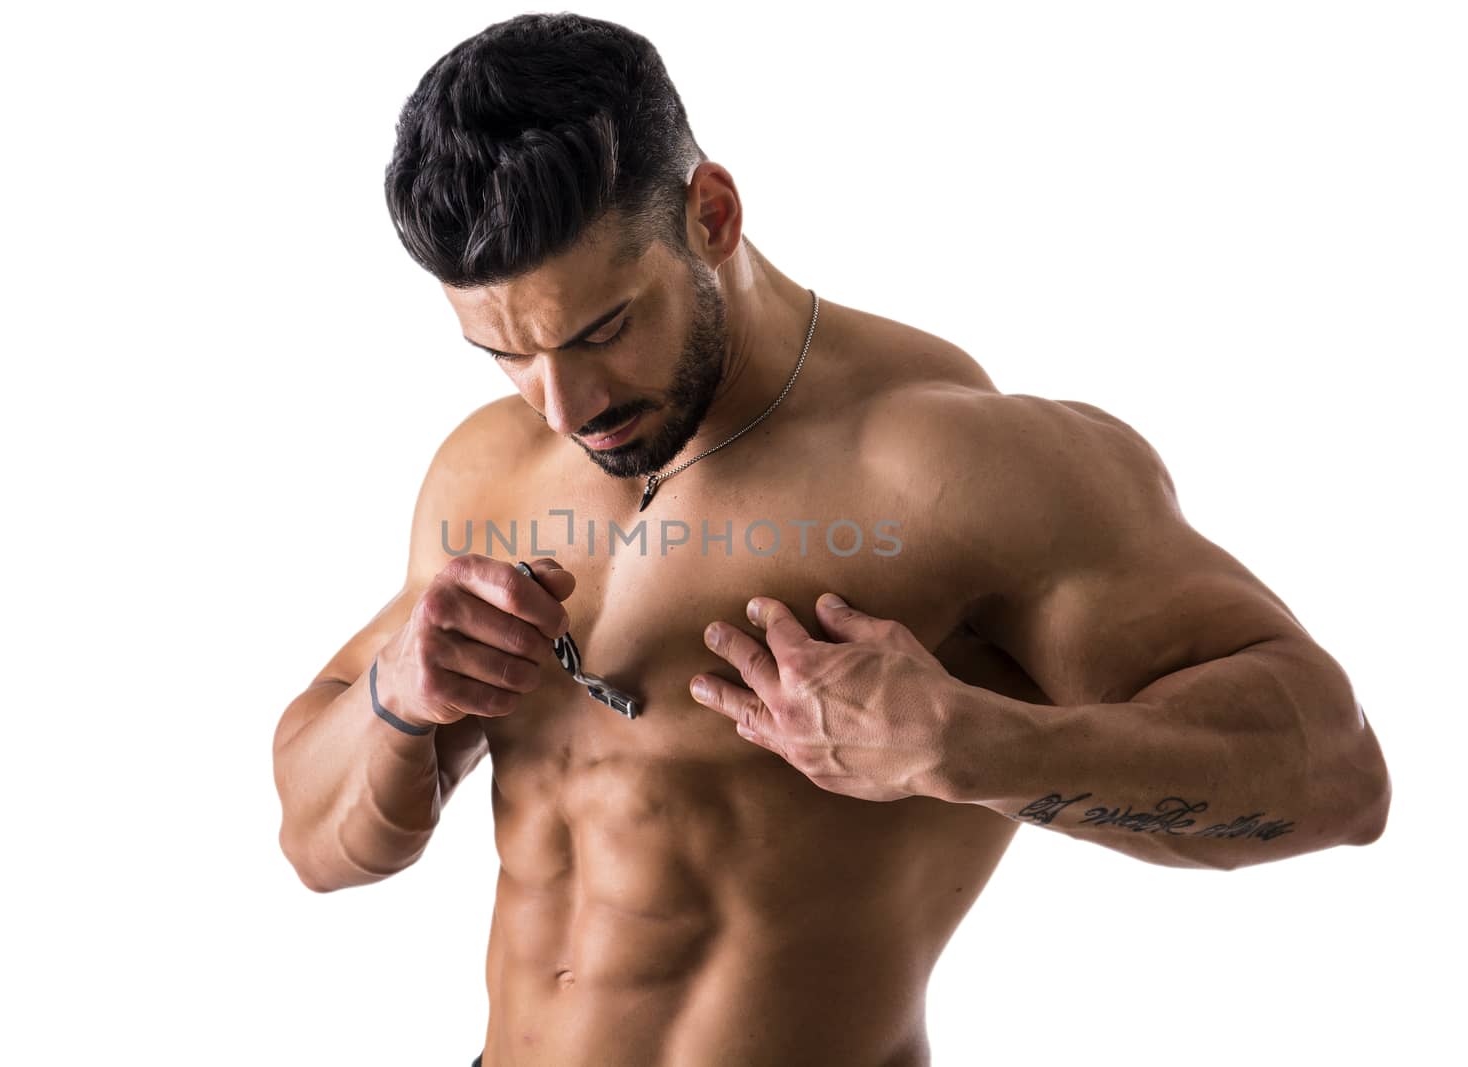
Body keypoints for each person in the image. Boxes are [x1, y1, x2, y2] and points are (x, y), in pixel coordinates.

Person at [271, 13, 1391, 1066]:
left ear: (711, 213)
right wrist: (396, 696)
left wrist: (984, 747)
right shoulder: (492, 466)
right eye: (506, 354)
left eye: (604, 328)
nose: (562, 403)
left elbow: (1338, 774)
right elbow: (321, 846)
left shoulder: (949, 465)